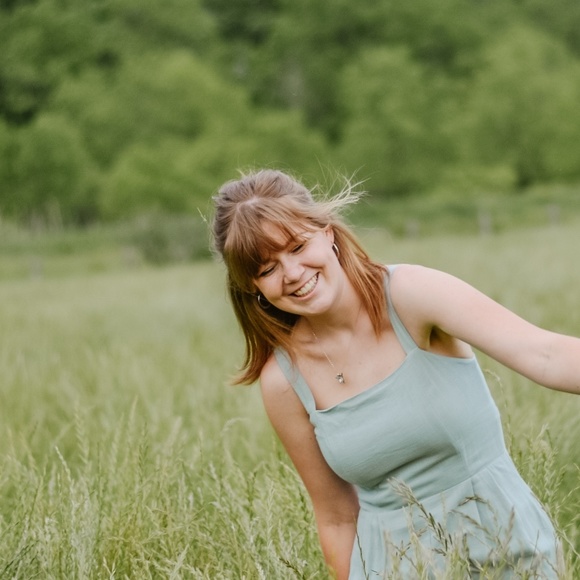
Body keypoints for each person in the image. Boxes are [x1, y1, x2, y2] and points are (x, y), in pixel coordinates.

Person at [211, 169, 579, 579]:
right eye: (267, 269)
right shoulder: (283, 380)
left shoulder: (411, 294)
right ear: (253, 287)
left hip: (512, 554)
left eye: (297, 246)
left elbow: (546, 355)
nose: (293, 273)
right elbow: (336, 518)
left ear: (327, 233)